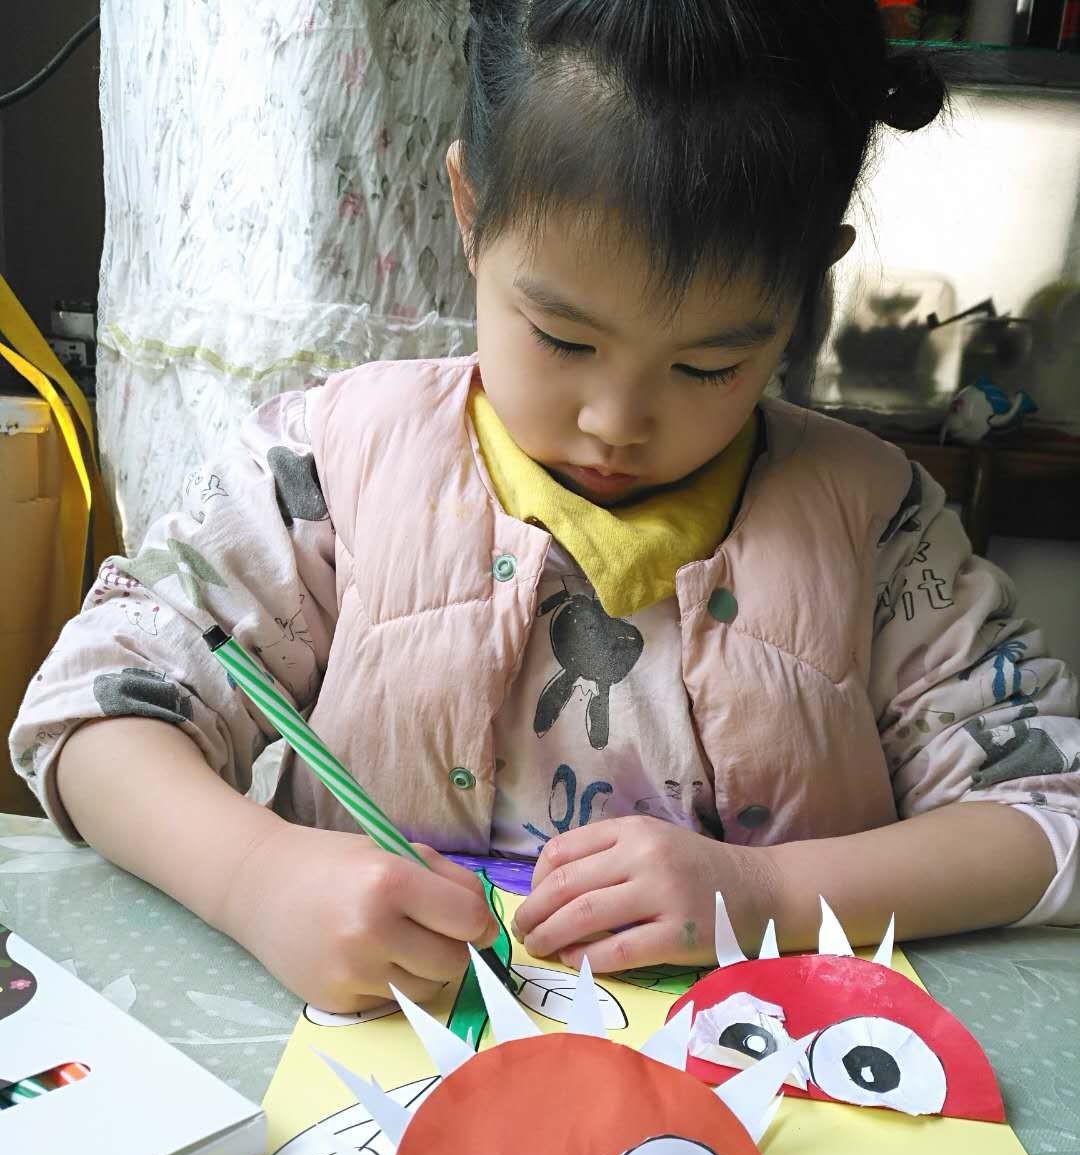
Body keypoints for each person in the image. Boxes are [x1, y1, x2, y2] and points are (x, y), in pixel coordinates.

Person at [9, 0, 1080, 1014]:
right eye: (564, 340)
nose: (617, 422)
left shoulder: (879, 527)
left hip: (769, 1089)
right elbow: (92, 711)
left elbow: (1049, 815)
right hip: (385, 1068)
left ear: (805, 290)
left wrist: (771, 896)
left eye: (709, 364)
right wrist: (257, 875)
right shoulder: (331, 466)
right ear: (470, 212)